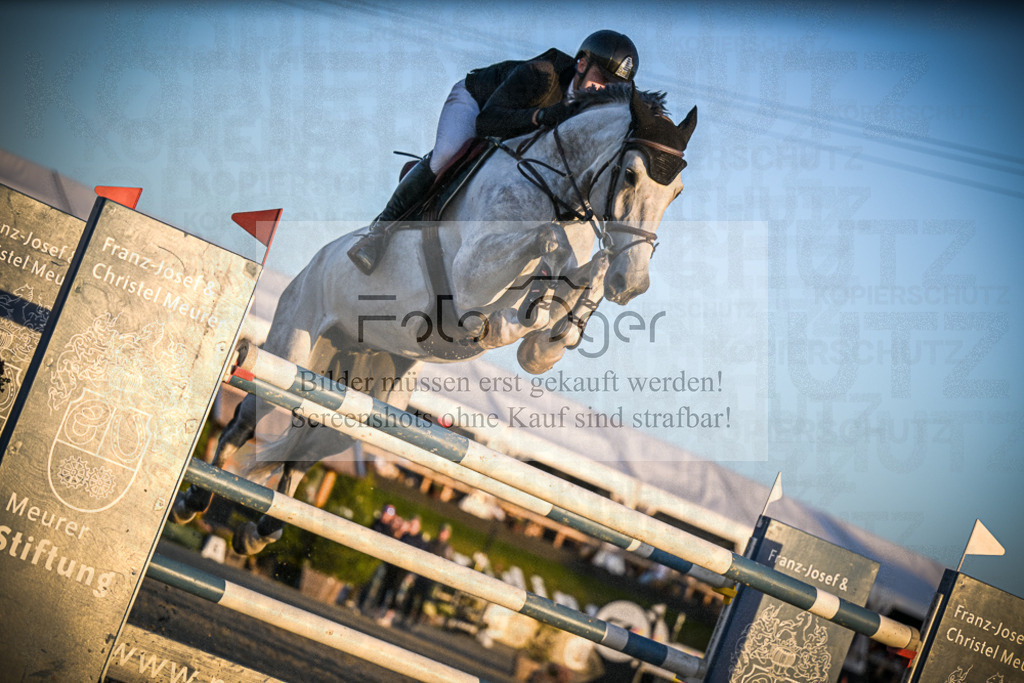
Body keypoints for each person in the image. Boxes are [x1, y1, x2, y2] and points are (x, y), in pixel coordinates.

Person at [347, 30, 640, 275]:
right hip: (477, 102)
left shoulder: (592, 117)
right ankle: (378, 233)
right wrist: (540, 116)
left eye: (614, 87)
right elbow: (486, 122)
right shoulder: (542, 76)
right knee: (447, 153)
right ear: (581, 64)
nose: (603, 90)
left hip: (515, 125)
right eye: (601, 78)